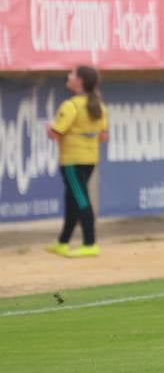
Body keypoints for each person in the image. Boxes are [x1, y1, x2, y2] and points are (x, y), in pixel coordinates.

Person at [44, 65, 109, 258]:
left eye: (72, 74)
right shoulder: (99, 106)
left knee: (80, 199)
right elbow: (103, 136)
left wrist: (49, 127)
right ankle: (63, 241)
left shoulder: (70, 106)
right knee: (72, 198)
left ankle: (90, 243)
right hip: (90, 159)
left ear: (79, 81)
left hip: (72, 160)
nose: (68, 76)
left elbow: (55, 133)